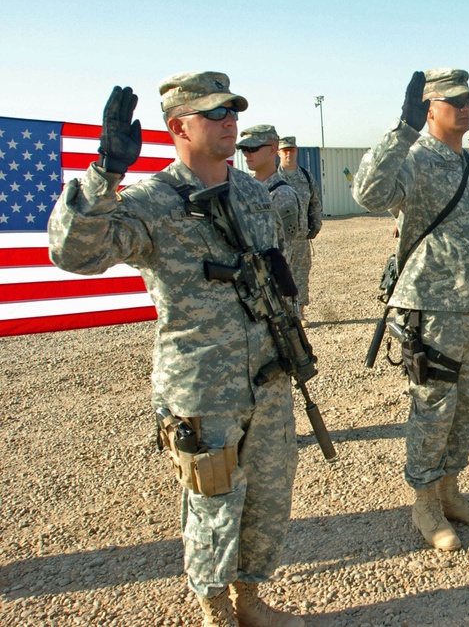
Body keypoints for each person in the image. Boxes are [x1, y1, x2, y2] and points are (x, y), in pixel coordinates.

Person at [48, 72, 303, 626]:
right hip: (203, 383)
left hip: (267, 373)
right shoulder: (151, 202)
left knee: (268, 496)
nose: (228, 121)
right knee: (213, 504)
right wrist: (104, 173)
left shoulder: (253, 195)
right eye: (214, 114)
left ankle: (250, 598)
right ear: (177, 127)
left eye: (232, 111)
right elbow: (71, 253)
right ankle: (214, 609)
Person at [353, 69, 469, 551]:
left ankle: (451, 490)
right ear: (428, 107)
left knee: (467, 406)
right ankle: (425, 503)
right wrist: (402, 129)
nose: (465, 106)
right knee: (433, 407)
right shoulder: (414, 159)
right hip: (432, 308)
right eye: (453, 99)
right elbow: (369, 195)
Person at [238, 126, 308, 317]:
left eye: (253, 148)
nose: (247, 154)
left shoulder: (282, 194)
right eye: (244, 149)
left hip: (273, 289)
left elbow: (285, 248)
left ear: (271, 150)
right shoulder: (243, 189)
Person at [277, 136, 323, 319]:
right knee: (281, 276)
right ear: (278, 153)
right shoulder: (274, 178)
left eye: (292, 150)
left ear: (297, 152)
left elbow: (315, 202)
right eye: (285, 151)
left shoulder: (305, 176)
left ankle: (300, 312)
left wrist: (315, 224)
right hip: (280, 241)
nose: (289, 154)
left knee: (302, 276)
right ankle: (285, 313)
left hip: (302, 238)